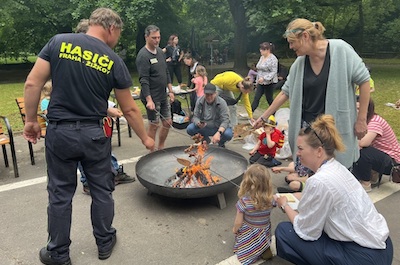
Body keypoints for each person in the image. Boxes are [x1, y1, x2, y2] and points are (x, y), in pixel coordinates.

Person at [23, 8, 154, 264]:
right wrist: (145, 138)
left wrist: (30, 121)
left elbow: (32, 83)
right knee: (102, 191)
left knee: (60, 194)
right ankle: (105, 242)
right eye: (119, 35)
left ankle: (58, 253)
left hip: (60, 132)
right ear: (112, 28)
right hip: (94, 135)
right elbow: (128, 108)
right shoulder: (113, 60)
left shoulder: (59, 42)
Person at [274, 114, 393, 265]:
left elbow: (306, 231)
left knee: (285, 231)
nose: (297, 154)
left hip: (363, 257)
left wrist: (285, 204)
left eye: (300, 148)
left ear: (319, 151)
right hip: (382, 247)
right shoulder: (337, 168)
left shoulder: (319, 181)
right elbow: (326, 197)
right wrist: (296, 196)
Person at [255, 18, 371, 170]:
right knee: (308, 177)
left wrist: (361, 119)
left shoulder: (341, 50)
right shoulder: (299, 63)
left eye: (292, 42)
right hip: (308, 129)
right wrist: (264, 117)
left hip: (333, 129)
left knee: (335, 173)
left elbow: (364, 81)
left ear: (305, 36)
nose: (290, 47)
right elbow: (285, 92)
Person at [74, 19, 135, 194]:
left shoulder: (93, 60)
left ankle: (114, 172)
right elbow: (81, 95)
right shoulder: (75, 62)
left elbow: (91, 93)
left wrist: (106, 108)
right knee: (82, 152)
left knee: (104, 146)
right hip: (77, 121)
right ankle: (87, 182)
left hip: (94, 118)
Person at [136, 25, 174, 151]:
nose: (157, 40)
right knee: (154, 124)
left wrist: (171, 90)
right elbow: (143, 80)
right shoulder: (143, 56)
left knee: (168, 122)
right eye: (153, 38)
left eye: (158, 37)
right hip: (151, 96)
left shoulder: (160, 52)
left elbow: (166, 72)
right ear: (146, 37)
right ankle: (151, 151)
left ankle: (161, 147)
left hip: (163, 94)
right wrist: (149, 100)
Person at [352, 98, 400, 192]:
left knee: (361, 151)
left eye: (359, 109)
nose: (356, 112)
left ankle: (366, 183)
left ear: (367, 110)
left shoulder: (374, 121)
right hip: (383, 156)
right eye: (354, 108)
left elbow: (363, 142)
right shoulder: (362, 121)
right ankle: (372, 174)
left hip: (394, 163)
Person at [232, 164, 276, 264]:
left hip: (249, 232)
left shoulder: (244, 202)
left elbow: (238, 222)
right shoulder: (271, 200)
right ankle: (263, 249)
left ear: (247, 183)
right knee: (263, 241)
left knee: (244, 242)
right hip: (264, 231)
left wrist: (235, 229)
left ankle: (249, 254)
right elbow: (277, 202)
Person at [251, 42, 278, 112]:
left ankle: (274, 113)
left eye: (263, 49)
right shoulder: (262, 57)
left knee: (269, 99)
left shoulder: (273, 59)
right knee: (256, 97)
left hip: (269, 82)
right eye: (261, 49)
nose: (261, 50)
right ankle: (250, 112)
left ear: (268, 50)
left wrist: (264, 78)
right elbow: (259, 68)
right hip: (260, 82)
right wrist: (257, 80)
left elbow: (274, 72)